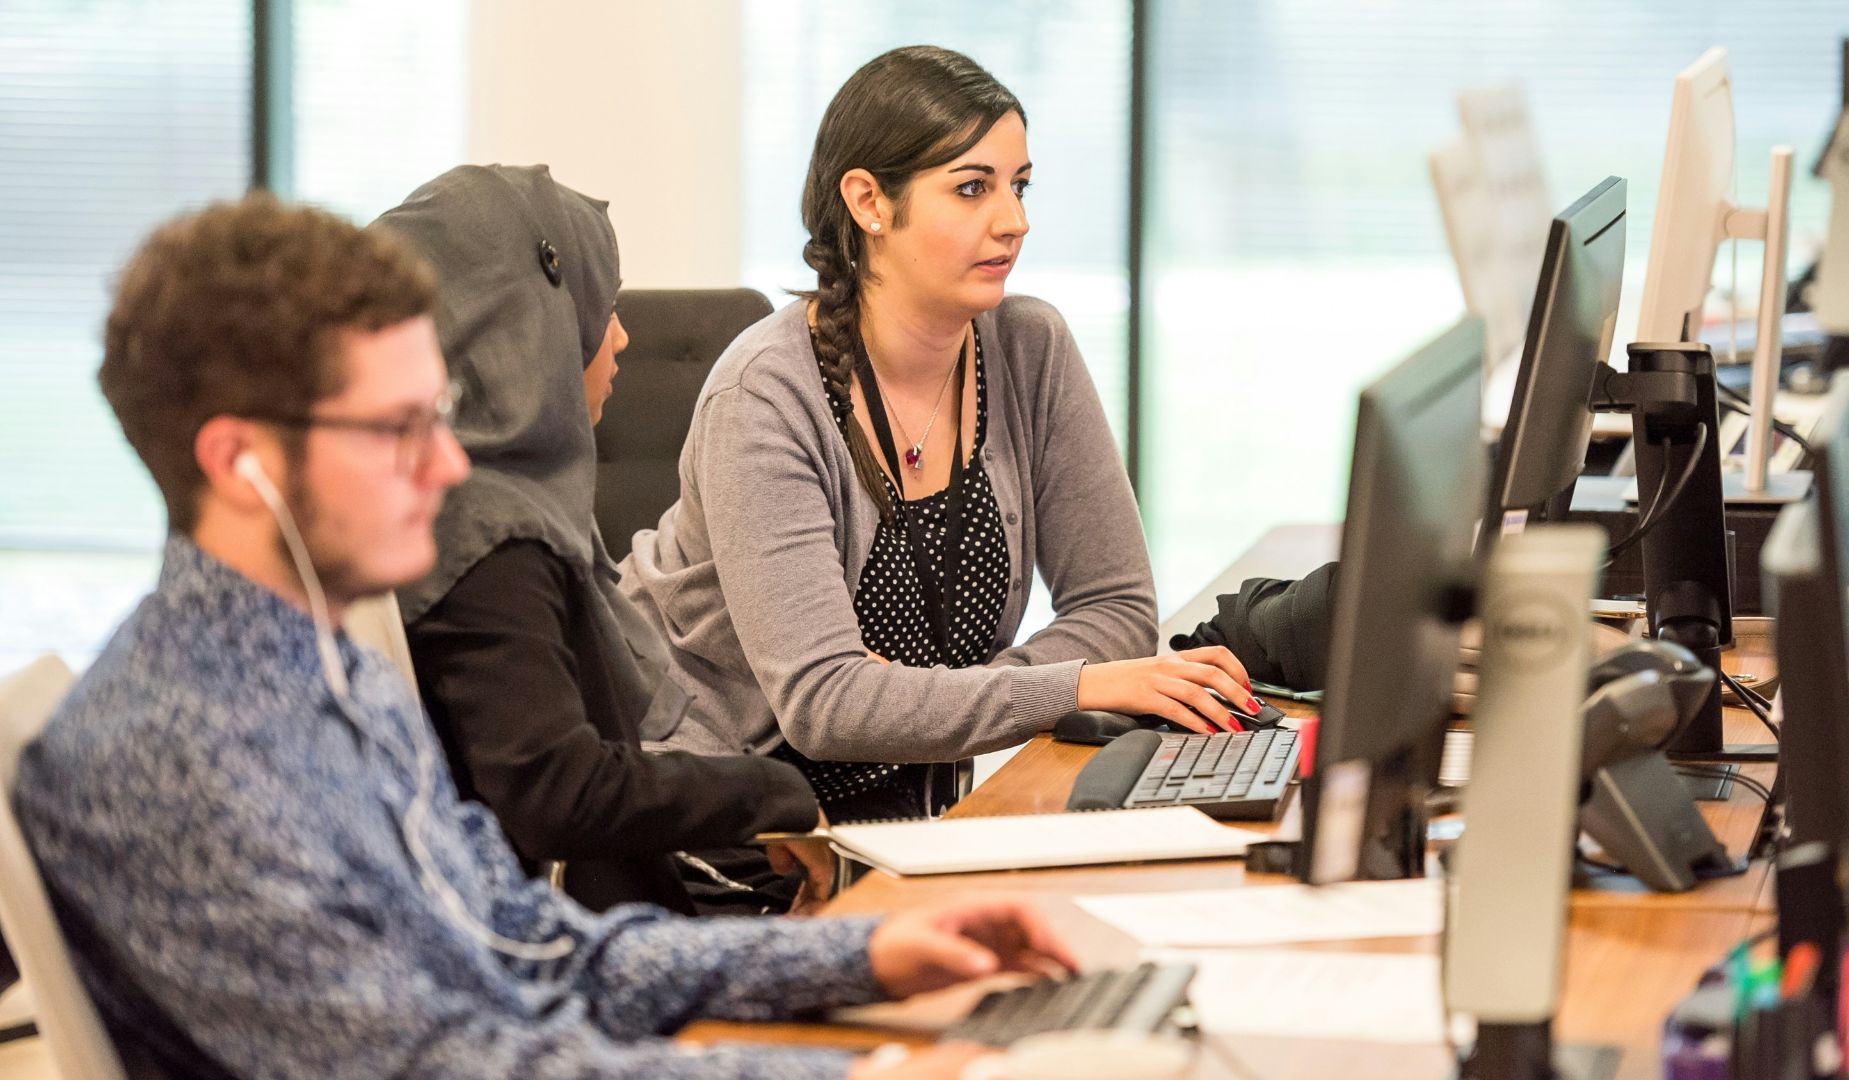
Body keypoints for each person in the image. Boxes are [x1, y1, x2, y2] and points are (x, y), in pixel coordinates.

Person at [12, 192, 1072, 1078]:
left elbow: (531, 947)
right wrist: (852, 1075)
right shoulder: (180, 756)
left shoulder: (326, 673)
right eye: (397, 428)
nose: (446, 465)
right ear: (238, 463)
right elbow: (449, 1066)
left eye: (437, 415)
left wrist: (859, 957)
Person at [620, 46, 1257, 820]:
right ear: (869, 202)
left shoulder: (1030, 348)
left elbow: (1117, 609)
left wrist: (920, 697)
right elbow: (826, 705)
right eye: (972, 188)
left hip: (913, 811)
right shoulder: (766, 395)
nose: (1014, 221)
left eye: (1019, 185)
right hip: (729, 820)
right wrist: (1073, 684)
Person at [380, 165, 830, 915]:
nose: (621, 337)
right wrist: (771, 793)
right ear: (530, 323)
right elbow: (557, 793)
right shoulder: (489, 537)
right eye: (602, 307)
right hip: (573, 938)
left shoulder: (474, 504)